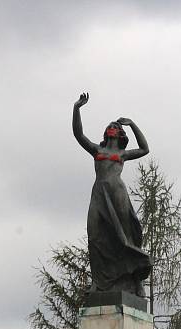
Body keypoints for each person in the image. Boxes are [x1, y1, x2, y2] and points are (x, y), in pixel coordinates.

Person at [72, 92, 152, 296]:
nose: (111, 127)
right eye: (110, 126)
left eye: (115, 127)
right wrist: (77, 108)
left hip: (117, 194)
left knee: (123, 238)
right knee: (95, 236)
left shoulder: (123, 154)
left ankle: (135, 280)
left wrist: (132, 124)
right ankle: (99, 283)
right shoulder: (96, 149)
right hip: (99, 194)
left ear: (120, 134)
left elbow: (145, 149)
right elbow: (79, 135)